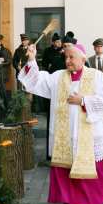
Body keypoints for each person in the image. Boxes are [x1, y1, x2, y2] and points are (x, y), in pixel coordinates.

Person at [18, 43, 103, 204]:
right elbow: (35, 82)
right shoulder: (58, 77)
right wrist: (32, 59)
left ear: (83, 58)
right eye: (66, 57)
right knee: (64, 168)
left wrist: (83, 100)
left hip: (87, 135)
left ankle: (90, 200)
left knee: (90, 166)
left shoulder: (96, 76)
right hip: (64, 136)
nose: (67, 61)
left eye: (71, 57)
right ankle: (68, 201)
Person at [42, 32, 65, 160]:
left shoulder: (64, 54)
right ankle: (50, 152)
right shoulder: (47, 51)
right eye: (56, 42)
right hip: (52, 86)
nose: (58, 44)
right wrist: (49, 66)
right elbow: (45, 64)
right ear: (52, 42)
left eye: (59, 42)